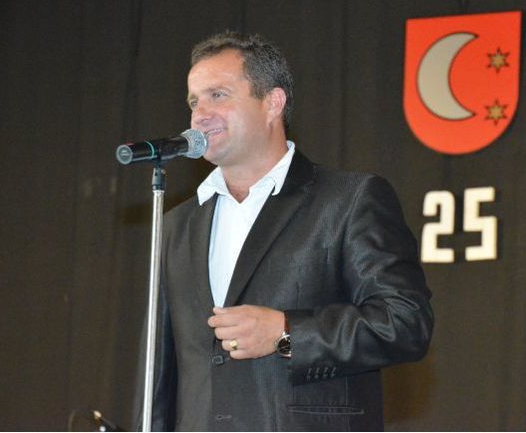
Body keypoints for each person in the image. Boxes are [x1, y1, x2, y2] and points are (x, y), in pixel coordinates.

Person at [139, 31, 433, 431]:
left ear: (272, 103)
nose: (199, 115)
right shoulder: (177, 224)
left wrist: (286, 332)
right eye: (194, 101)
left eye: (218, 95)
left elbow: (405, 323)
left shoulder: (349, 200)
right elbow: (158, 376)